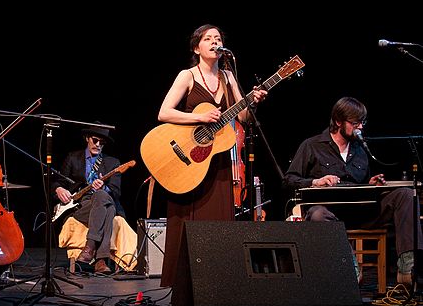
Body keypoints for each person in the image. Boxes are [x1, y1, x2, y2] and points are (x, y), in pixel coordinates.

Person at [157, 24, 267, 289]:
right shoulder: (188, 76)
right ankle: (184, 285)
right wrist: (199, 116)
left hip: (218, 161)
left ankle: (217, 283)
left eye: (218, 38)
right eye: (208, 39)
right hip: (190, 160)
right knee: (188, 226)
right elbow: (164, 113)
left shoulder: (229, 77)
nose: (215, 42)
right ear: (197, 47)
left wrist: (252, 101)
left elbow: (241, 117)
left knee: (219, 224)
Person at [282, 96, 423, 286]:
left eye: (362, 123)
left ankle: (407, 266)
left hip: (361, 212)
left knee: (405, 194)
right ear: (338, 121)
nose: (360, 127)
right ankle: (348, 265)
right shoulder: (312, 146)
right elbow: (288, 180)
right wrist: (316, 181)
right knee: (317, 214)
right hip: (330, 214)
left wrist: (371, 183)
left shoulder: (360, 149)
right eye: (355, 123)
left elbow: (362, 183)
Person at [52, 123, 125, 274]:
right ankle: (100, 260)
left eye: (102, 143)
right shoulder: (73, 158)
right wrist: (58, 189)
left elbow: (116, 192)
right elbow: (57, 181)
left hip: (103, 199)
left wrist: (103, 187)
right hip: (80, 205)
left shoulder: (113, 163)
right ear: (87, 138)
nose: (98, 145)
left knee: (102, 196)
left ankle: (90, 247)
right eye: (95, 140)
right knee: (109, 210)